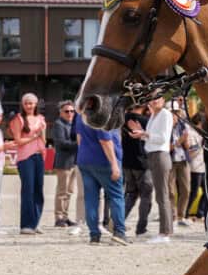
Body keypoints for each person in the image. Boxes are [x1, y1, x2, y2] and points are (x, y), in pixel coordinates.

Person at [75, 111, 128, 245]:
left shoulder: (82, 115)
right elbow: (105, 140)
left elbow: (79, 138)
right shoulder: (102, 115)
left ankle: (94, 235)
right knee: (117, 196)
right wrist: (114, 164)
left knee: (91, 199)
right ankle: (119, 232)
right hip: (104, 162)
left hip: (85, 160)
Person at [10, 93, 47, 235]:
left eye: (31, 103)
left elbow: (43, 139)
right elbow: (18, 140)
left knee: (39, 190)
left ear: (36, 104)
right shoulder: (19, 119)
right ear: (23, 104)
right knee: (28, 190)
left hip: (39, 156)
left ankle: (35, 222)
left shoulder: (41, 119)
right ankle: (26, 224)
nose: (29, 106)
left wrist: (41, 135)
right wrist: (33, 137)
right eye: (26, 103)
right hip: (26, 157)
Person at [143, 95, 174, 243]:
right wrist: (141, 134)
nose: (154, 101)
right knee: (162, 195)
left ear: (163, 100)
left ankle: (165, 233)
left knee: (162, 195)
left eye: (157, 98)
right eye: (152, 98)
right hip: (154, 154)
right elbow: (150, 138)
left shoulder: (165, 114)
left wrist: (145, 134)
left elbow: (162, 138)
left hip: (160, 155)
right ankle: (166, 231)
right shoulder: (154, 115)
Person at [121, 103, 153, 237]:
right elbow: (153, 138)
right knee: (146, 196)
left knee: (130, 194)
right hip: (142, 162)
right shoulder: (146, 121)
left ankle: (117, 221)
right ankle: (141, 228)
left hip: (127, 162)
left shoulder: (122, 120)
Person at [51, 101, 82, 229]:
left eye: (72, 111)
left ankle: (65, 216)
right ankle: (58, 218)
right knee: (62, 191)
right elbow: (61, 143)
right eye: (67, 111)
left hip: (74, 161)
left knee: (69, 192)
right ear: (61, 112)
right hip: (63, 162)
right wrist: (79, 144)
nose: (70, 113)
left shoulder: (73, 124)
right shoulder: (58, 124)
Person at [169, 103, 192, 228]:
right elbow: (167, 148)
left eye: (177, 112)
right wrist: (179, 141)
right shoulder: (165, 128)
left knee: (186, 189)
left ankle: (181, 216)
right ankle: (172, 216)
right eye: (173, 112)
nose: (175, 114)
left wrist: (186, 141)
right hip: (170, 161)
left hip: (183, 160)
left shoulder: (183, 126)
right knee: (171, 191)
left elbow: (187, 146)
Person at [183, 117, 206, 226]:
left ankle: (199, 213)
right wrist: (201, 143)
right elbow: (190, 150)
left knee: (206, 191)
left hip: (203, 166)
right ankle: (186, 213)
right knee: (194, 192)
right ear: (199, 122)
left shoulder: (202, 134)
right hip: (194, 167)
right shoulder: (191, 133)